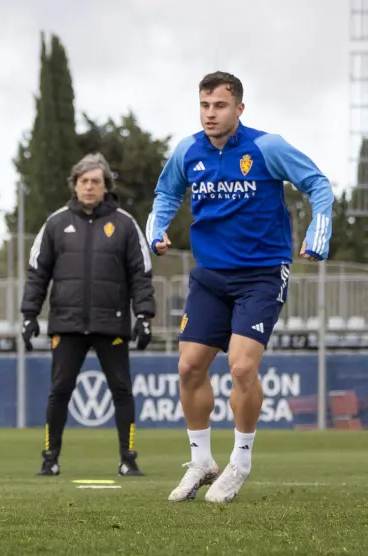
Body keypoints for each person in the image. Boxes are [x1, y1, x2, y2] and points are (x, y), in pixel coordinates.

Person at [146, 71, 333, 504]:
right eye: (205, 106)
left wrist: (318, 229)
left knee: (242, 367)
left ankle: (241, 461)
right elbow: (165, 194)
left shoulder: (267, 147)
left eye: (220, 106)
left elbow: (318, 185)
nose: (211, 114)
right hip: (210, 275)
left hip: (262, 273)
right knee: (189, 367)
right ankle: (201, 461)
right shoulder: (188, 150)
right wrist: (156, 228)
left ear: (239, 109)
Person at [21, 152, 155, 478]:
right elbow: (37, 273)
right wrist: (29, 315)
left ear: (106, 185)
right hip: (66, 324)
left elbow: (141, 273)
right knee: (59, 392)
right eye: (84, 181)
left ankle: (128, 457)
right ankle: (50, 458)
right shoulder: (55, 223)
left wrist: (144, 316)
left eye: (96, 181)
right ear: (75, 185)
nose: (90, 187)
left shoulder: (124, 224)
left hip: (111, 323)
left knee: (121, 391)